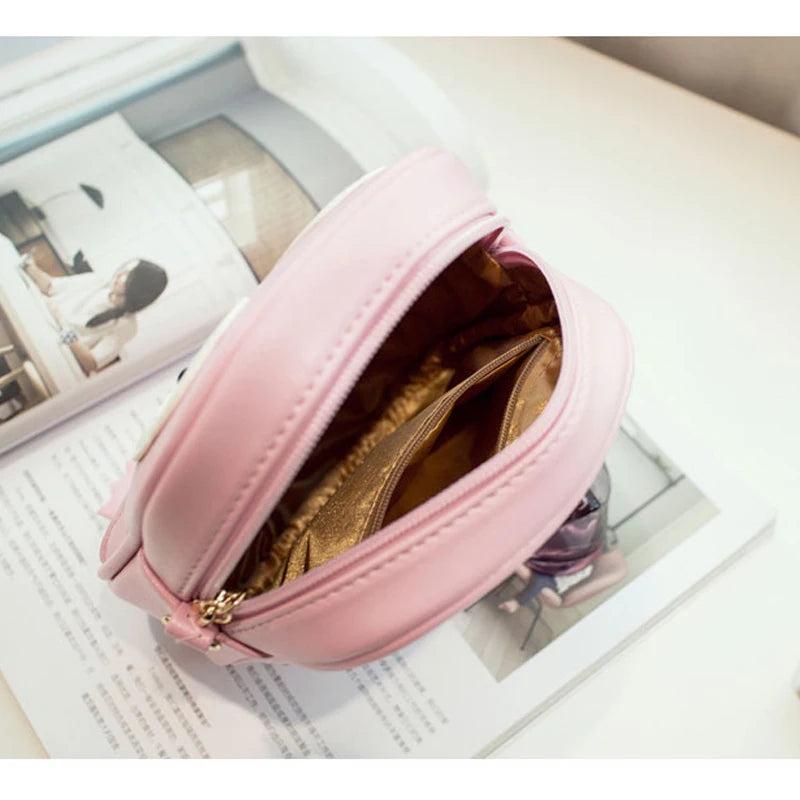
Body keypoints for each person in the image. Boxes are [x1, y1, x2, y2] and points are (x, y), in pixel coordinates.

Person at [21, 254, 168, 375]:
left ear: (138, 289)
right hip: (33, 324)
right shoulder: (97, 280)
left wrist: (62, 324)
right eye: (124, 270)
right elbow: (50, 287)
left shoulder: (127, 325)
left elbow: (91, 363)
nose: (120, 274)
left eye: (128, 275)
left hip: (51, 352)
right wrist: (30, 266)